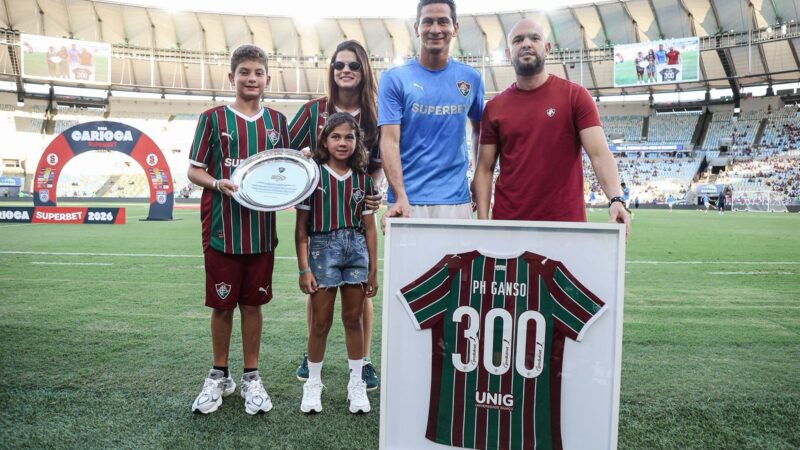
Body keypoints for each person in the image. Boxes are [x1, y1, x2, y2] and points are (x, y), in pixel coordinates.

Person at [188, 44, 289, 416]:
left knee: (252, 305)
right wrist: (218, 183)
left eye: (258, 73)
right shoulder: (213, 119)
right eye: (244, 72)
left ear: (267, 78)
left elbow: (285, 169)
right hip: (222, 229)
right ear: (232, 77)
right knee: (222, 305)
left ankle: (251, 376)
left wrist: (300, 167)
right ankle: (219, 375)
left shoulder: (277, 123)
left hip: (260, 232)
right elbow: (194, 170)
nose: (251, 78)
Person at [473, 18, 630, 234]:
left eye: (534, 38)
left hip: (564, 226)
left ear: (547, 49)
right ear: (508, 54)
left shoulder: (575, 96)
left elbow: (600, 154)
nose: (526, 44)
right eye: (518, 40)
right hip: (509, 226)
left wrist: (616, 199)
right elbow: (484, 168)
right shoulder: (494, 107)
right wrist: (482, 222)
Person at [289, 40, 382, 391]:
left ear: (364, 71)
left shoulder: (375, 113)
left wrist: (374, 191)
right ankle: (312, 353)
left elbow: (379, 162)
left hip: (358, 211)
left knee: (359, 292)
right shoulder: (313, 111)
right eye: (339, 65)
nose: (346, 70)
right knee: (320, 289)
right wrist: (302, 163)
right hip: (321, 212)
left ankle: (364, 359)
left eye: (354, 65)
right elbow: (288, 151)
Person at [295, 113, 378, 414]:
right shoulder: (312, 176)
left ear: (357, 142)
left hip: (356, 251)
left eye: (349, 137)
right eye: (336, 136)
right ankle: (313, 382)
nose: (342, 142)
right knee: (321, 322)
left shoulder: (364, 180)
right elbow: (301, 228)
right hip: (322, 251)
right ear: (325, 141)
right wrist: (304, 268)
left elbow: (370, 229)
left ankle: (356, 382)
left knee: (353, 319)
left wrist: (373, 270)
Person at [379, 0, 484, 222]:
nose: (435, 29)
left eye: (443, 21)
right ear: (417, 28)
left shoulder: (471, 78)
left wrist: (477, 177)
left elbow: (479, 130)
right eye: (428, 22)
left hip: (456, 200)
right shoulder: (394, 78)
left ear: (455, 27)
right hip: (407, 201)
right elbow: (389, 140)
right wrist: (400, 195)